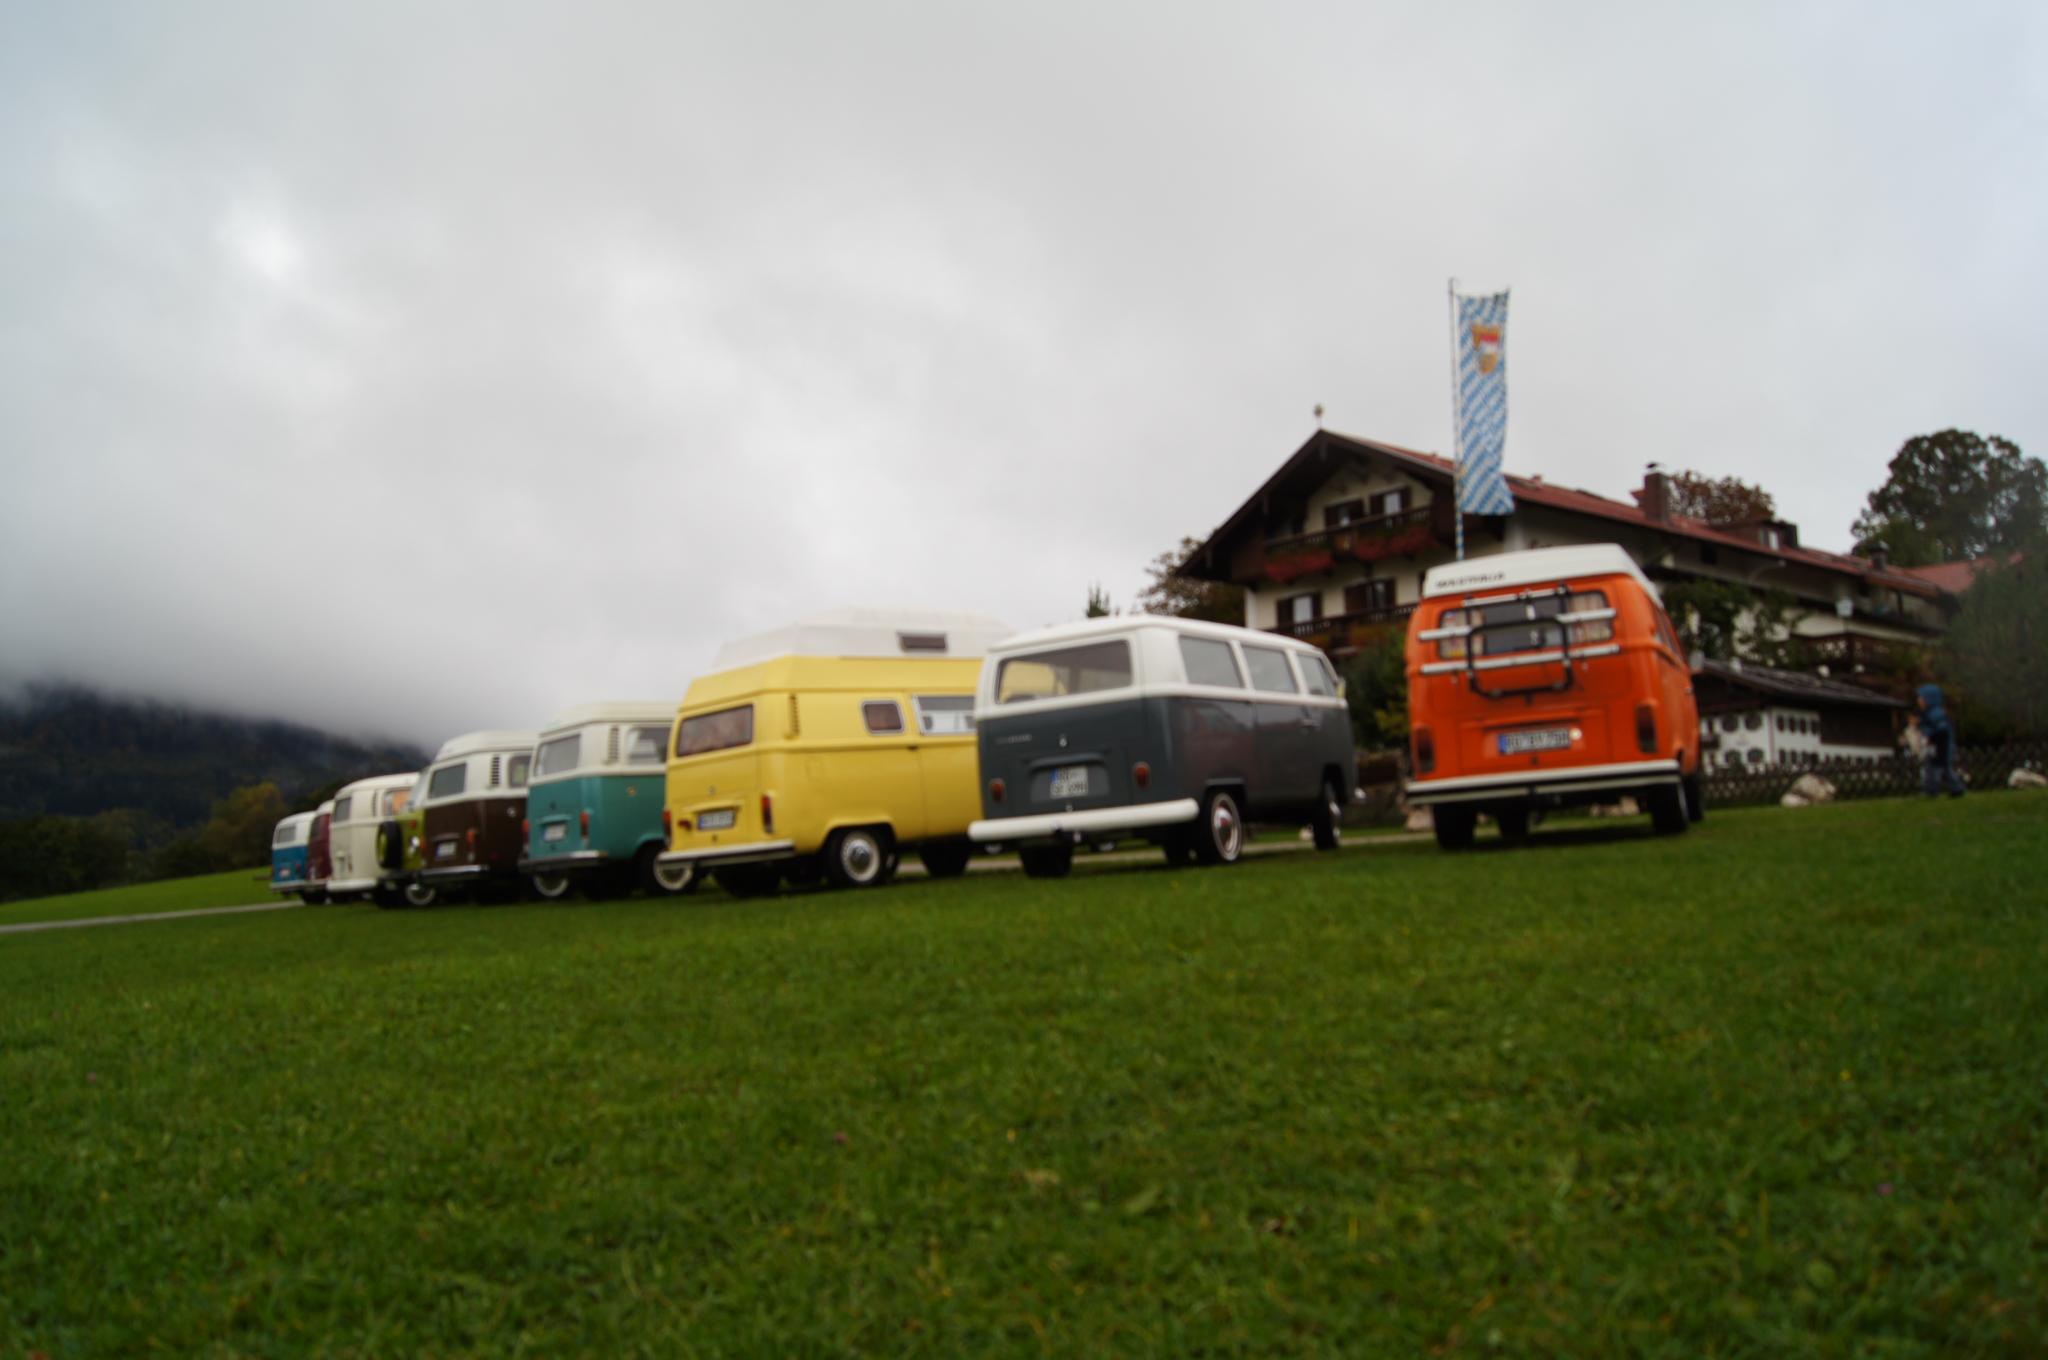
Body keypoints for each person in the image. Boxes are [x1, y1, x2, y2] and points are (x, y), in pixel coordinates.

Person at [1916, 683, 1965, 797]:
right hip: (1935, 746)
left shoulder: (1935, 713)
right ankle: (1953, 789)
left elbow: (1942, 731)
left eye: (1921, 698)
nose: (1919, 700)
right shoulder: (1928, 713)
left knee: (1937, 768)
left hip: (1941, 747)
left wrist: (1930, 738)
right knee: (1938, 768)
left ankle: (1933, 790)